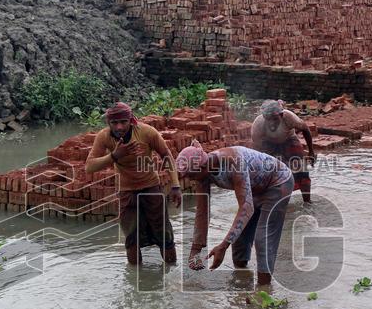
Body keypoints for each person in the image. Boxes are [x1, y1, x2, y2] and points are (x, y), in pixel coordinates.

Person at [176, 141, 294, 286]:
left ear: (202, 167)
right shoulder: (203, 174)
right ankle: (243, 284)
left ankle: (264, 292)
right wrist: (195, 250)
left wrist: (223, 245)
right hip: (255, 189)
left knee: (262, 239)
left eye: (192, 176)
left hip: (278, 183)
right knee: (239, 244)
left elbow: (246, 207)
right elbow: (202, 212)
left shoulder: (234, 163)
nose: (192, 180)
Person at [85, 102, 182, 265]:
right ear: (109, 123)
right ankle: (136, 281)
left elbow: (167, 156)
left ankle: (171, 271)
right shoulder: (104, 136)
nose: (119, 127)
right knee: (131, 239)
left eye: (123, 122)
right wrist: (115, 155)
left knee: (165, 235)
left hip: (151, 188)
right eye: (114, 123)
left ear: (131, 120)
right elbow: (89, 167)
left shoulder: (146, 132)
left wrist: (176, 186)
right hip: (127, 192)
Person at [251, 100, 315, 204]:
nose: (272, 123)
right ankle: (275, 202)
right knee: (271, 174)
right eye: (269, 120)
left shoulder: (289, 117)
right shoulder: (258, 126)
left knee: (301, 170)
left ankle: (307, 202)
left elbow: (305, 129)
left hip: (289, 139)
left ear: (281, 115)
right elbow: (257, 149)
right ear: (264, 118)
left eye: (275, 119)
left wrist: (311, 151)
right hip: (268, 145)